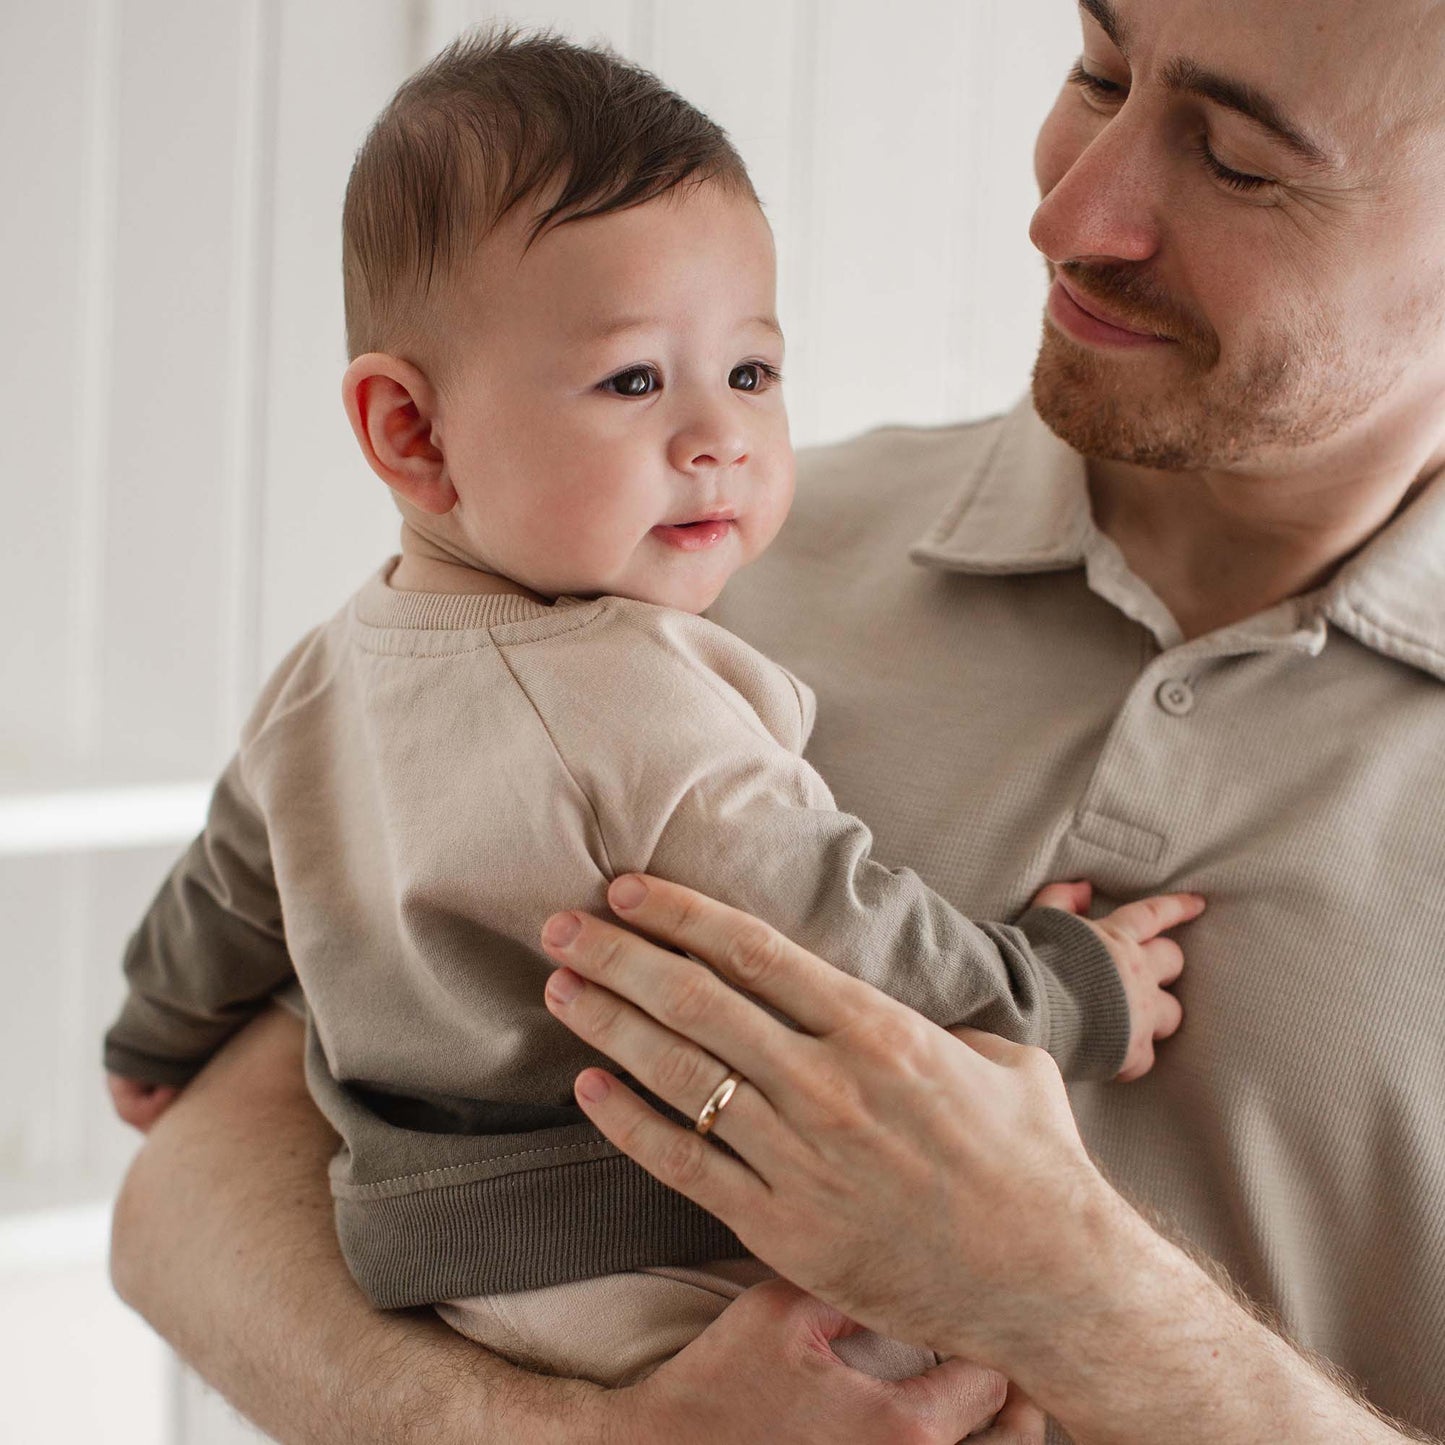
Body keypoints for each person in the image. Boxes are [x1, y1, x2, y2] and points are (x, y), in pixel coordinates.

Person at [109, 0, 1445, 1439]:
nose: (1065, 212)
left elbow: (214, 917)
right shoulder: (664, 578)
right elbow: (191, 1185)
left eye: (1242, 160)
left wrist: (1069, 1289)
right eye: (1094, 72)